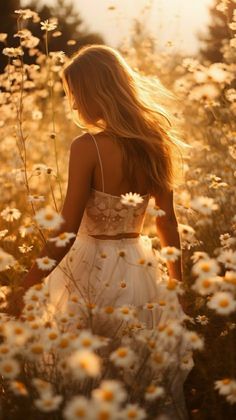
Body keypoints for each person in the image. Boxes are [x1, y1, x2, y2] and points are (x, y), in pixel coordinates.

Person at [9, 45, 193, 419]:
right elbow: (166, 221)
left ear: (95, 93)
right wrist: (177, 287)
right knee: (138, 374)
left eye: (75, 95)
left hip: (89, 271)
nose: (74, 107)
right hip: (140, 272)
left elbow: (67, 229)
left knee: (86, 374)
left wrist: (27, 285)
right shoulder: (155, 143)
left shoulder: (86, 146)